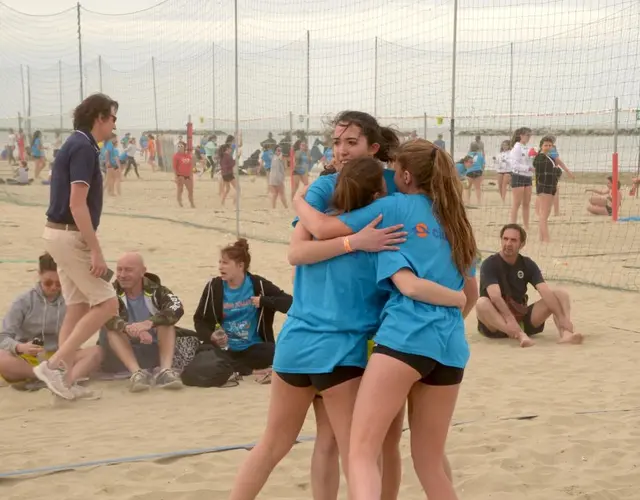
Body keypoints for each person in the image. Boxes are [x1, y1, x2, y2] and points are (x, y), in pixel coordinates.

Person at [229, 153, 470, 500]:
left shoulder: (313, 235)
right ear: (376, 197)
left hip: (294, 346)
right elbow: (410, 286)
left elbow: (296, 254)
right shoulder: (383, 239)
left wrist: (299, 200)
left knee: (272, 445)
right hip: (342, 354)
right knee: (357, 455)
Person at [36, 93, 120, 400]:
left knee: (77, 306)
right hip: (70, 235)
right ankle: (55, 365)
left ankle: (64, 381)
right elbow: (77, 204)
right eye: (112, 118)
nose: (114, 124)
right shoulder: (84, 146)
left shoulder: (77, 143)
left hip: (56, 233)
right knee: (108, 303)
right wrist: (95, 249)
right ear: (99, 117)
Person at [0, 253, 103, 393]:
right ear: (39, 275)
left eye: (59, 283)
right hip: (29, 358)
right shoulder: (23, 301)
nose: (54, 287)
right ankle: (45, 377)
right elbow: (3, 336)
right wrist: (20, 347)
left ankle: (66, 382)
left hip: (60, 356)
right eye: (48, 283)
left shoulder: (73, 301)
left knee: (96, 352)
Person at [193, 239, 292, 383]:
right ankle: (249, 370)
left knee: (276, 351)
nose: (220, 267)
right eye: (220, 262)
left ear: (240, 266)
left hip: (252, 349)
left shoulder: (258, 284)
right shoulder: (214, 287)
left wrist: (264, 301)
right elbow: (199, 320)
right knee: (206, 351)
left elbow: (290, 303)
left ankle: (237, 369)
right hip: (224, 348)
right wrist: (211, 336)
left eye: (225, 263)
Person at [475, 224, 583, 347]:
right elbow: (495, 296)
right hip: (496, 324)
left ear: (522, 244)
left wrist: (561, 316)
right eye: (505, 239)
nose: (508, 243)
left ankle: (566, 333)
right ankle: (520, 335)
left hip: (520, 317)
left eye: (513, 240)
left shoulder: (527, 264)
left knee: (560, 294)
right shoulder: (489, 264)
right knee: (482, 303)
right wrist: (510, 321)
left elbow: (544, 290)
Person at [99, 252, 187, 391]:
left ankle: (165, 372)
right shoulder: (110, 292)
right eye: (119, 269)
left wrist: (149, 323)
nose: (122, 275)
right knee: (112, 330)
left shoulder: (157, 290)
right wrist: (130, 328)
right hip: (122, 351)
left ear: (143, 272)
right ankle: (137, 374)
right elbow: (105, 316)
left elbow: (177, 307)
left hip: (151, 348)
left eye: (128, 270)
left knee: (166, 322)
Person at [533, 137, 558, 242]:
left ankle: (541, 237)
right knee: (544, 213)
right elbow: (546, 172)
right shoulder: (540, 157)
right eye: (546, 145)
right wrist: (556, 171)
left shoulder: (550, 157)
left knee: (546, 213)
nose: (548, 147)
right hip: (544, 186)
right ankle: (546, 238)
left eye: (550, 145)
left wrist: (556, 171)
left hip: (550, 186)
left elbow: (555, 172)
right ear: (541, 146)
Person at [509, 127, 534, 229]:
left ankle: (526, 226)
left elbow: (530, 162)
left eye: (530, 135)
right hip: (518, 176)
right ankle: (512, 225)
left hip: (527, 177)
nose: (529, 137)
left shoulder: (527, 147)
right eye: (527, 135)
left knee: (526, 203)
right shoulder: (516, 148)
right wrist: (528, 168)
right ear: (521, 136)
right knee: (516, 203)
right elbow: (514, 165)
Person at [172, 141, 195, 208]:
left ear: (185, 147)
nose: (179, 148)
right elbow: (174, 167)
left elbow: (191, 166)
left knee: (190, 190)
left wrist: (191, 175)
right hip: (180, 175)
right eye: (178, 146)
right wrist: (175, 177)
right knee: (180, 190)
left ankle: (192, 203)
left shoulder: (188, 155)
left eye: (181, 146)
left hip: (188, 176)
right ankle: (180, 202)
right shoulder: (176, 156)